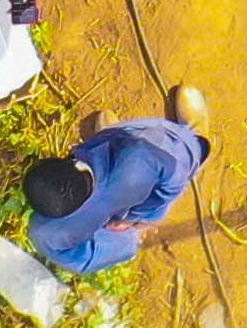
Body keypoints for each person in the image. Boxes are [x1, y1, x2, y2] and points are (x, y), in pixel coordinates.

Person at [21, 113, 208, 274]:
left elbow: (83, 260)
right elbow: (173, 179)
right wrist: (140, 221)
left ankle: (132, 239)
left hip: (114, 223)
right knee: (178, 149)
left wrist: (125, 237)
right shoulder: (140, 158)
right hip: (141, 183)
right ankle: (196, 139)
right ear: (75, 163)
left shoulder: (45, 231)